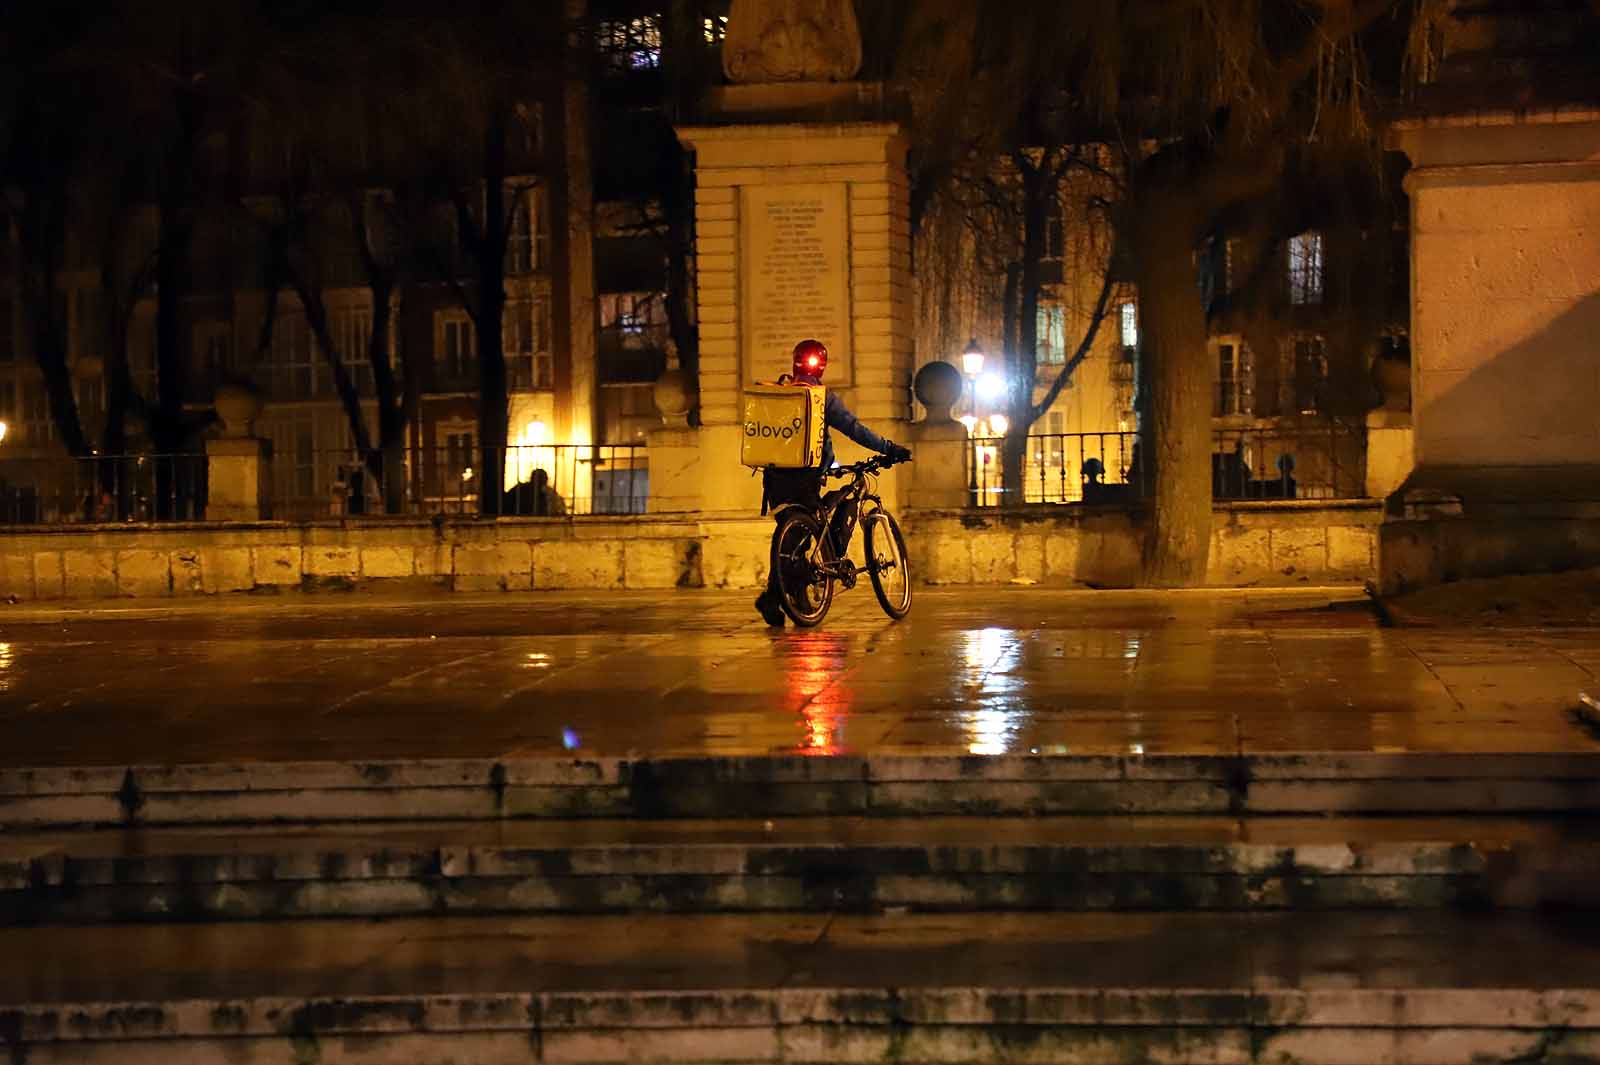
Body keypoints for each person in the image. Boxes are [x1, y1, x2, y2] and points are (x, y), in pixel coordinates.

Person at [755, 338, 911, 626]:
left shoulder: (780, 393)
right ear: (822, 368)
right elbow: (853, 429)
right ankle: (778, 597)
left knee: (794, 537)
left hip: (775, 477)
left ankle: (788, 599)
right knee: (803, 532)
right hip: (806, 477)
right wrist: (888, 448)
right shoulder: (821, 397)